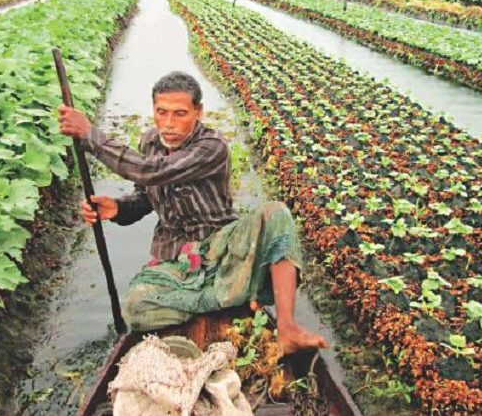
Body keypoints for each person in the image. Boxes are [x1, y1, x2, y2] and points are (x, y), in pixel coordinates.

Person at [57, 71, 327, 355]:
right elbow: (145, 195)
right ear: (153, 110)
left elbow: (153, 171)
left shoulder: (212, 147)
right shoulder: (149, 142)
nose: (169, 123)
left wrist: (90, 135)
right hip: (178, 260)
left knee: (277, 214)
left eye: (180, 113)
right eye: (161, 112)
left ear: (198, 111)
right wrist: (118, 208)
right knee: (136, 308)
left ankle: (286, 327)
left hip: (222, 249)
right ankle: (230, 295)